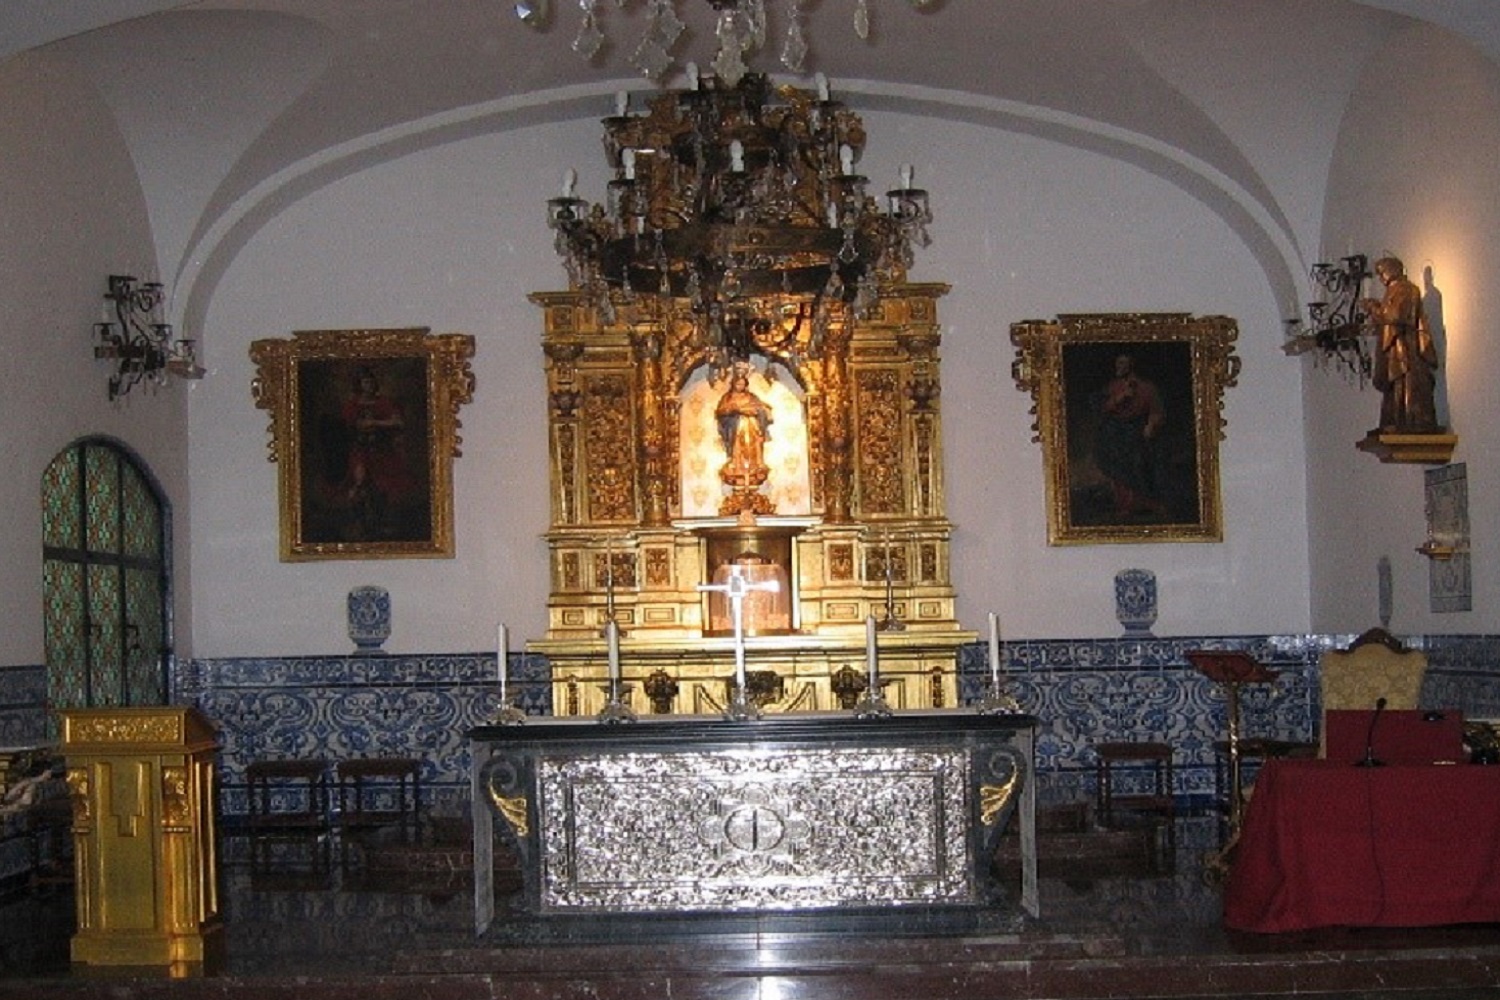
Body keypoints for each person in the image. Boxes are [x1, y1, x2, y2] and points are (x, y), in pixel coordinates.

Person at [1361, 256, 1439, 433]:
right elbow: (1386, 317)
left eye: (1382, 272)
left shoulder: (1406, 289)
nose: (1381, 278)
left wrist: (1373, 308)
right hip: (1394, 347)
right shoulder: (1393, 290)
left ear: (1392, 269)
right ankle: (1395, 420)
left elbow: (1395, 315)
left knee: (1405, 382)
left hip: (1405, 346)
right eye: (1379, 274)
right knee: (1394, 384)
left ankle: (1409, 421)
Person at [1094, 354, 1168, 518]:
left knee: (1139, 465)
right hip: (1115, 432)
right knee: (1116, 465)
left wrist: (1150, 425)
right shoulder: (1113, 386)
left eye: (1122, 363)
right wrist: (1120, 398)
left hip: (1137, 431)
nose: (1118, 367)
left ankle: (1146, 502)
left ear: (1131, 366)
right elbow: (1103, 408)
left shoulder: (1147, 387)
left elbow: (1157, 410)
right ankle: (1124, 504)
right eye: (1117, 363)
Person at [714, 372, 773, 489]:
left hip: (752, 426)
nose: (740, 386)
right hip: (736, 426)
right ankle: (737, 465)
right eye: (738, 384)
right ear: (733, 384)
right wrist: (735, 409)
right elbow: (721, 411)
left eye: (742, 384)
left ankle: (754, 466)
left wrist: (758, 411)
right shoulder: (728, 397)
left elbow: (761, 408)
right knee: (738, 444)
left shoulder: (751, 397)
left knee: (752, 445)